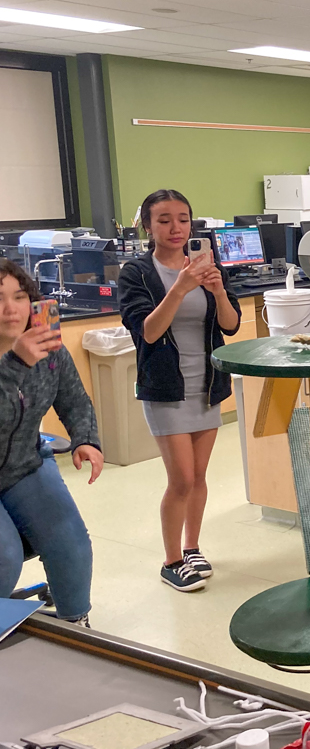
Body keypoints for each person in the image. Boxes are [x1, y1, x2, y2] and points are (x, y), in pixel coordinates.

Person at [119, 189, 241, 593]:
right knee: (182, 479)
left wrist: (218, 290)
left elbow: (231, 325)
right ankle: (171, 561)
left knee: (200, 475)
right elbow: (148, 332)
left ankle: (192, 548)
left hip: (206, 384)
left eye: (183, 219)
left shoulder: (206, 263)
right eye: (165, 219)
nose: (176, 228)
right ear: (148, 226)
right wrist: (181, 287)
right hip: (165, 388)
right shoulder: (137, 273)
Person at [0, 260, 103, 626]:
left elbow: (74, 399)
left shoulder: (47, 344)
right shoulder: (23, 353)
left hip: (24, 463)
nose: (11, 308)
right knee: (5, 556)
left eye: (19, 296)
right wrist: (14, 363)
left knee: (70, 543)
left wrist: (85, 439)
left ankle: (76, 627)